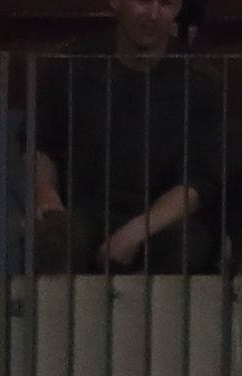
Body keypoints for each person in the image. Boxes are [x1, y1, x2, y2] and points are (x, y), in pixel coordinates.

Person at [29, 0, 221, 274]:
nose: (153, 15)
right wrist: (45, 195)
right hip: (85, 211)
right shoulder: (71, 65)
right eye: (143, 1)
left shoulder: (201, 79)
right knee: (52, 238)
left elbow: (199, 183)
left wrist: (136, 232)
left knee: (185, 246)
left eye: (166, 4)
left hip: (163, 220)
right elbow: (39, 144)